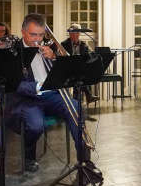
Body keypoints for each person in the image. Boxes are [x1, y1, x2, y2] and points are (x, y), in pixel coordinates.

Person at [6, 13, 101, 177]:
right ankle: (29, 155)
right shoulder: (14, 52)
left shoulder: (48, 48)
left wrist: (55, 58)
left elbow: (63, 72)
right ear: (23, 32)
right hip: (28, 98)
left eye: (41, 35)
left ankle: (85, 162)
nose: (37, 39)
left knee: (76, 107)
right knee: (35, 126)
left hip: (50, 95)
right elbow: (15, 83)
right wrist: (37, 86)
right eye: (33, 34)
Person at [61, 23, 99, 104]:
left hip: (79, 69)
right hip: (68, 69)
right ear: (70, 34)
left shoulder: (83, 45)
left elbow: (89, 55)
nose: (76, 35)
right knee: (79, 76)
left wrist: (93, 55)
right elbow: (61, 58)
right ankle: (87, 96)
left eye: (77, 33)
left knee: (83, 74)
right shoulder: (64, 44)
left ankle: (78, 100)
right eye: (74, 33)